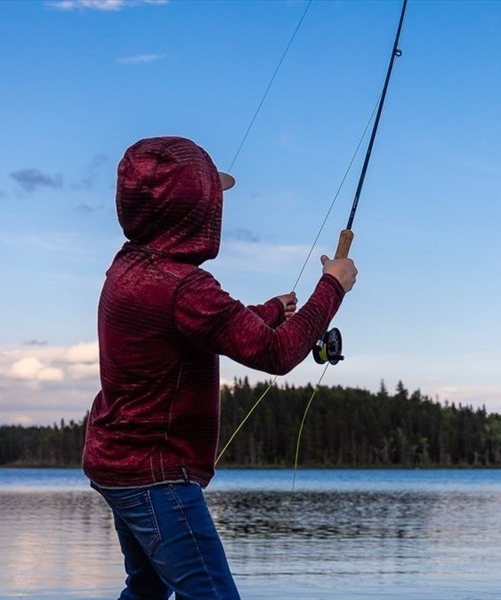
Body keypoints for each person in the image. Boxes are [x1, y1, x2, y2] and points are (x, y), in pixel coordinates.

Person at [82, 136, 357, 599]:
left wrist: (269, 311)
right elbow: (276, 354)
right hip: (156, 478)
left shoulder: (128, 267)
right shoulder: (184, 286)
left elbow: (203, 322)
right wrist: (332, 287)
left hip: (115, 464)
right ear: (197, 210)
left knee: (146, 589)